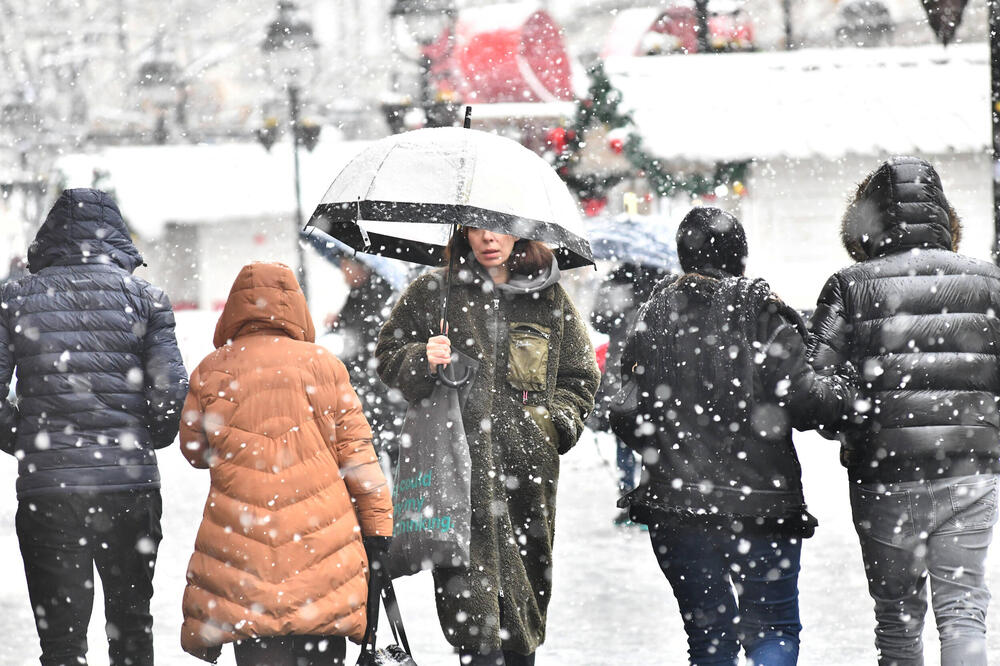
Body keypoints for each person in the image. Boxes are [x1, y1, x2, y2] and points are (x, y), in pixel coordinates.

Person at [612, 207, 856, 666]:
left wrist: (668, 451)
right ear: (740, 256)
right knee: (772, 628)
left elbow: (625, 413)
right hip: (762, 504)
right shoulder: (762, 315)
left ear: (683, 255)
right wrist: (844, 387)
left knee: (709, 639)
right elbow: (807, 404)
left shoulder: (653, 316)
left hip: (676, 506)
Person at [376, 227, 600, 666]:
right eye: (476, 228)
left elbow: (579, 376)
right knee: (473, 625)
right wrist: (422, 357)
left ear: (520, 232)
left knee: (522, 617)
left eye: (497, 228)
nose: (487, 239)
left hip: (527, 478)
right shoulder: (435, 291)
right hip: (456, 474)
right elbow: (388, 354)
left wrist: (553, 426)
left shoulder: (548, 297)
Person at [807, 156, 1000, 666]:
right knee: (963, 612)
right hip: (969, 467)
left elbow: (813, 389)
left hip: (885, 473)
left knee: (897, 619)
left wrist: (856, 419)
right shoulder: (990, 283)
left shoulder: (849, 285)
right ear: (943, 214)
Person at [0, 188, 188, 666]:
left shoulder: (15, 299)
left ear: (49, 237)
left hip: (49, 489)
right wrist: (144, 439)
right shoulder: (146, 299)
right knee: (131, 625)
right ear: (117, 237)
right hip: (129, 486)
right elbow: (170, 393)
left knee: (62, 643)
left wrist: (26, 440)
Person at [178, 262, 393, 665]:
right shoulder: (325, 365)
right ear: (295, 307)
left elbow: (194, 452)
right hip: (323, 547)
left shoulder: (212, 369)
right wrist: (379, 528)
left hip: (244, 548)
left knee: (258, 644)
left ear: (235, 309)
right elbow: (359, 456)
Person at [589, 261, 672, 525]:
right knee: (636, 437)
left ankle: (641, 497)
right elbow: (599, 320)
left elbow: (600, 320)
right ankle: (634, 497)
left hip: (641, 371)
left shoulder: (652, 279)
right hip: (635, 372)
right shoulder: (651, 277)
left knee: (637, 437)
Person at [326, 257, 403, 462]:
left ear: (361, 267)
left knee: (382, 434)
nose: (344, 274)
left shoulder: (376, 294)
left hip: (374, 379)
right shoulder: (360, 292)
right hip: (367, 379)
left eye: (346, 267)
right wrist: (338, 322)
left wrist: (344, 330)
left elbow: (366, 336)